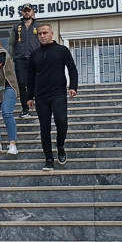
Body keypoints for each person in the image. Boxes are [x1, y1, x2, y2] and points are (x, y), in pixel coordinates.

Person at [27, 23, 78, 171]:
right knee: (44, 128)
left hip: (58, 93)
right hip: (41, 96)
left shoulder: (62, 50)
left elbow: (72, 69)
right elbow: (30, 77)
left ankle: (60, 145)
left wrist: (73, 86)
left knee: (61, 121)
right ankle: (48, 158)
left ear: (51, 34)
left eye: (45, 33)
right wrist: (29, 96)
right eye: (39, 33)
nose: (42, 36)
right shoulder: (34, 54)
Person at [9, 3, 41, 119]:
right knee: (22, 85)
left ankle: (40, 107)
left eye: (29, 10)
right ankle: (25, 109)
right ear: (22, 12)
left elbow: (43, 41)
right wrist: (11, 58)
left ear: (32, 11)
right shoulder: (16, 27)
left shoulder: (38, 26)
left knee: (38, 83)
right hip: (20, 59)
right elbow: (12, 43)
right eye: (25, 11)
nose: (27, 12)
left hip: (35, 58)